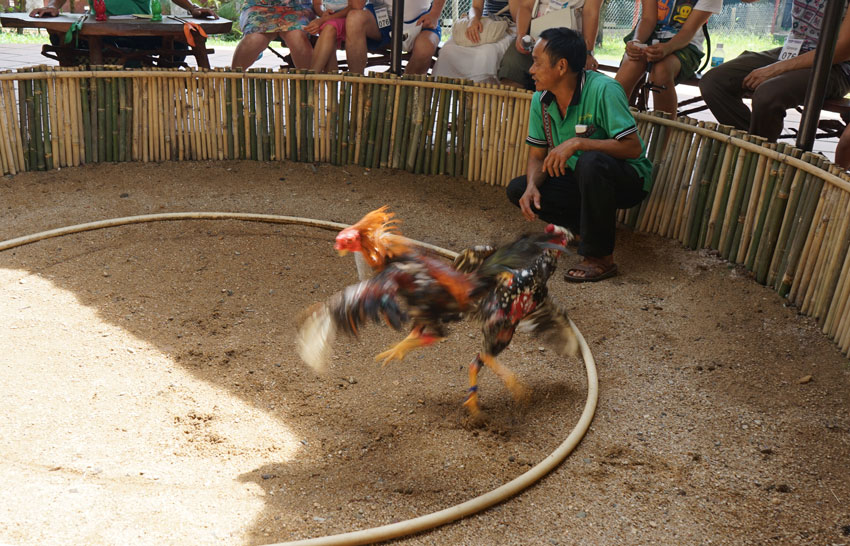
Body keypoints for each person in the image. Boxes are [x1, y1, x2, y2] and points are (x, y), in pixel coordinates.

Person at [506, 27, 653, 282]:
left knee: (590, 161)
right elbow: (537, 156)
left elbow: (633, 147)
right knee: (518, 189)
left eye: (537, 63)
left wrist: (579, 143)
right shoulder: (540, 99)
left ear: (561, 66)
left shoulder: (605, 90)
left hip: (628, 179)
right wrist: (531, 186)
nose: (531, 70)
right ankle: (585, 230)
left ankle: (600, 258)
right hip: (581, 179)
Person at [699, 0, 850, 142]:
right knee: (714, 82)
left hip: (836, 67)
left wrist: (777, 68)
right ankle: (757, 147)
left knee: (768, 94)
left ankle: (759, 156)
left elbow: (842, 49)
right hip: (793, 50)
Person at [29, 0, 217, 67]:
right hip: (102, 33)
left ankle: (159, 89)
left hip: (142, 34)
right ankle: (90, 90)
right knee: (62, 37)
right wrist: (53, 6)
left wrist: (193, 8)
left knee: (179, 40)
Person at [614, 0, 720, 116]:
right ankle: (607, 124)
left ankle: (662, 131)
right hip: (649, 36)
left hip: (686, 45)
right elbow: (648, 19)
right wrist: (636, 41)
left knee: (661, 70)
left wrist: (667, 48)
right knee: (632, 63)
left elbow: (688, 30)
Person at [498, 0, 602, 90]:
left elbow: (590, 13)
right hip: (535, 36)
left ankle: (550, 110)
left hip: (568, 41)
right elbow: (526, 6)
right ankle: (514, 110)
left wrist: (587, 52)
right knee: (512, 64)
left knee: (560, 73)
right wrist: (521, 34)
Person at [343, 0, 445, 75]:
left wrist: (435, 13)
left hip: (420, 20)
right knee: (354, 19)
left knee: (425, 47)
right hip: (380, 18)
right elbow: (357, 5)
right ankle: (358, 87)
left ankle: (404, 93)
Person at [431, 0, 514, 83]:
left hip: (510, 26)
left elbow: (518, 16)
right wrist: (473, 19)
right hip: (485, 22)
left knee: (486, 53)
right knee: (448, 50)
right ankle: (446, 91)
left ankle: (481, 93)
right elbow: (476, 7)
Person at [232, 0, 315, 70]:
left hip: (297, 6)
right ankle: (233, 82)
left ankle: (310, 85)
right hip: (258, 4)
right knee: (254, 39)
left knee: (296, 37)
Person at [305, 0, 351, 72]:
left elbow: (354, 7)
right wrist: (323, 14)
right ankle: (326, 80)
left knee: (329, 28)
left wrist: (324, 19)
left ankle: (312, 77)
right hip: (329, 19)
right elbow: (317, 4)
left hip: (351, 17)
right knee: (327, 29)